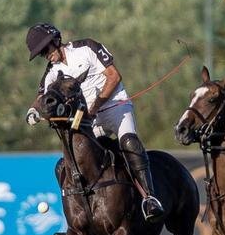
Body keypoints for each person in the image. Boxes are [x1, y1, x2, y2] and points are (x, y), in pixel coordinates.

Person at [24, 23, 165, 222]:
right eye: (41, 54)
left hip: (115, 107)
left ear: (56, 40)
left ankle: (149, 199)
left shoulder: (86, 48)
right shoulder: (52, 73)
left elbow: (114, 76)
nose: (45, 55)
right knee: (76, 162)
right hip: (89, 121)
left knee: (129, 143)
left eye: (45, 49)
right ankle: (81, 217)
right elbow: (41, 98)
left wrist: (96, 105)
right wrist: (33, 111)